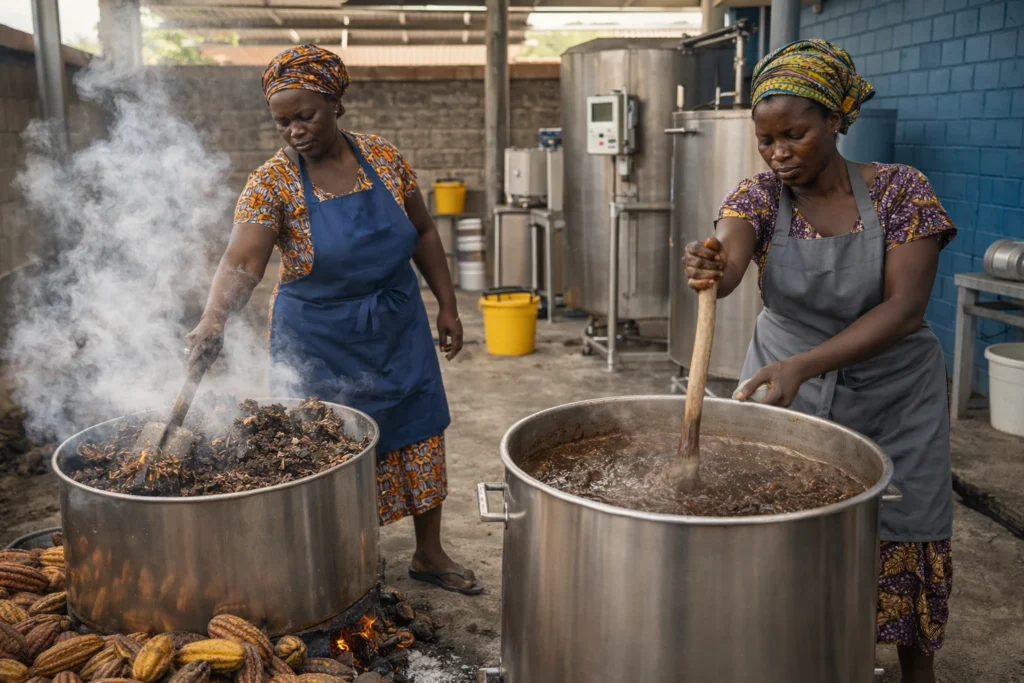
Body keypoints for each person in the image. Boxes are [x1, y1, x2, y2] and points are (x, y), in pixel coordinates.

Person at [684, 40, 954, 683]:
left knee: (906, 528)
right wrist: (712, 264)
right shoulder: (759, 196)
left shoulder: (901, 191)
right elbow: (730, 257)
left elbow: (905, 309)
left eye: (795, 136)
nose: (778, 153)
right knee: (782, 521)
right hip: (788, 392)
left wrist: (806, 364)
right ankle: (796, 657)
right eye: (766, 140)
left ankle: (917, 673)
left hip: (895, 393)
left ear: (835, 120)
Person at [187, 44, 482, 596]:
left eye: (306, 116)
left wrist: (447, 304)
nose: (295, 130)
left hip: (396, 323)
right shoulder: (271, 182)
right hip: (318, 340)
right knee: (323, 445)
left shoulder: (383, 157)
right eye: (282, 122)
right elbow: (241, 263)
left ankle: (429, 553)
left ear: (335, 105)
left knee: (419, 427)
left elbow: (423, 231)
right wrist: (212, 319)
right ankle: (338, 563)